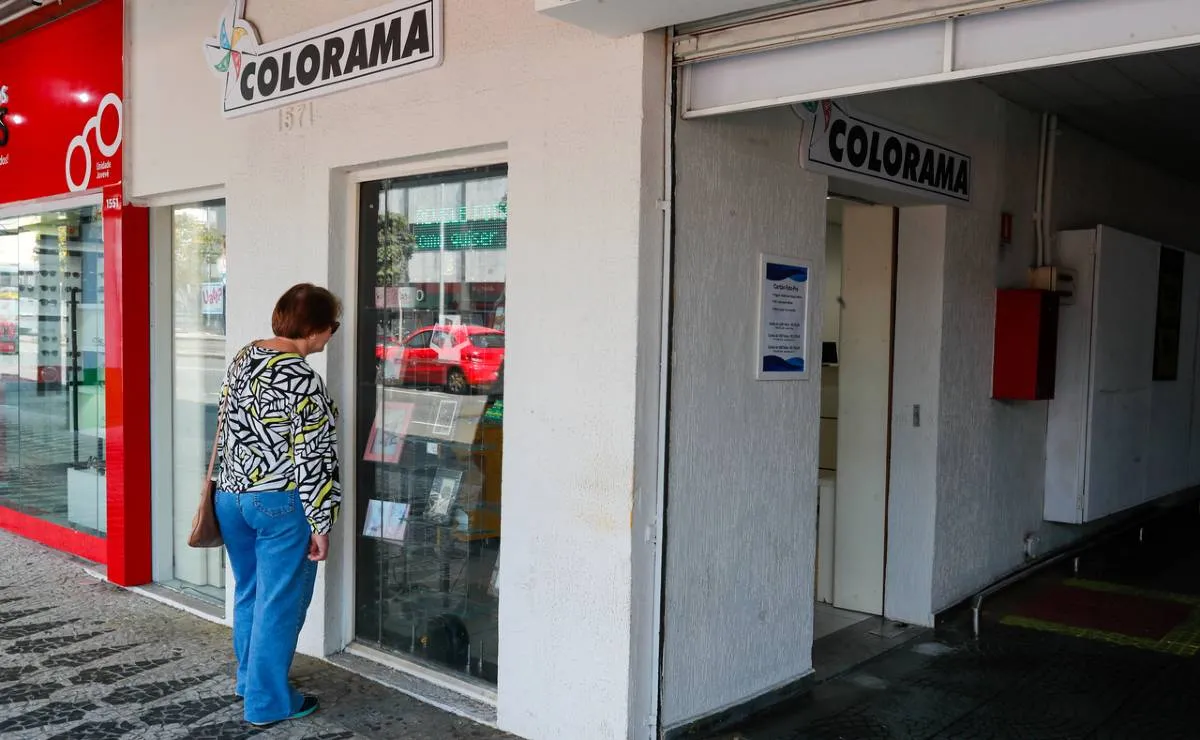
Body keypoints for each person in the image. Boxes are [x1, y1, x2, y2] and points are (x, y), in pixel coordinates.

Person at [213, 283, 342, 728]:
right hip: (279, 502)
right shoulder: (303, 378)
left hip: (230, 496)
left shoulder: (244, 359)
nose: (331, 337)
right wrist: (321, 523)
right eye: (332, 328)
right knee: (280, 601)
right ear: (314, 329)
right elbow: (314, 458)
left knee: (249, 590)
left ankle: (249, 680)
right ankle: (268, 702)